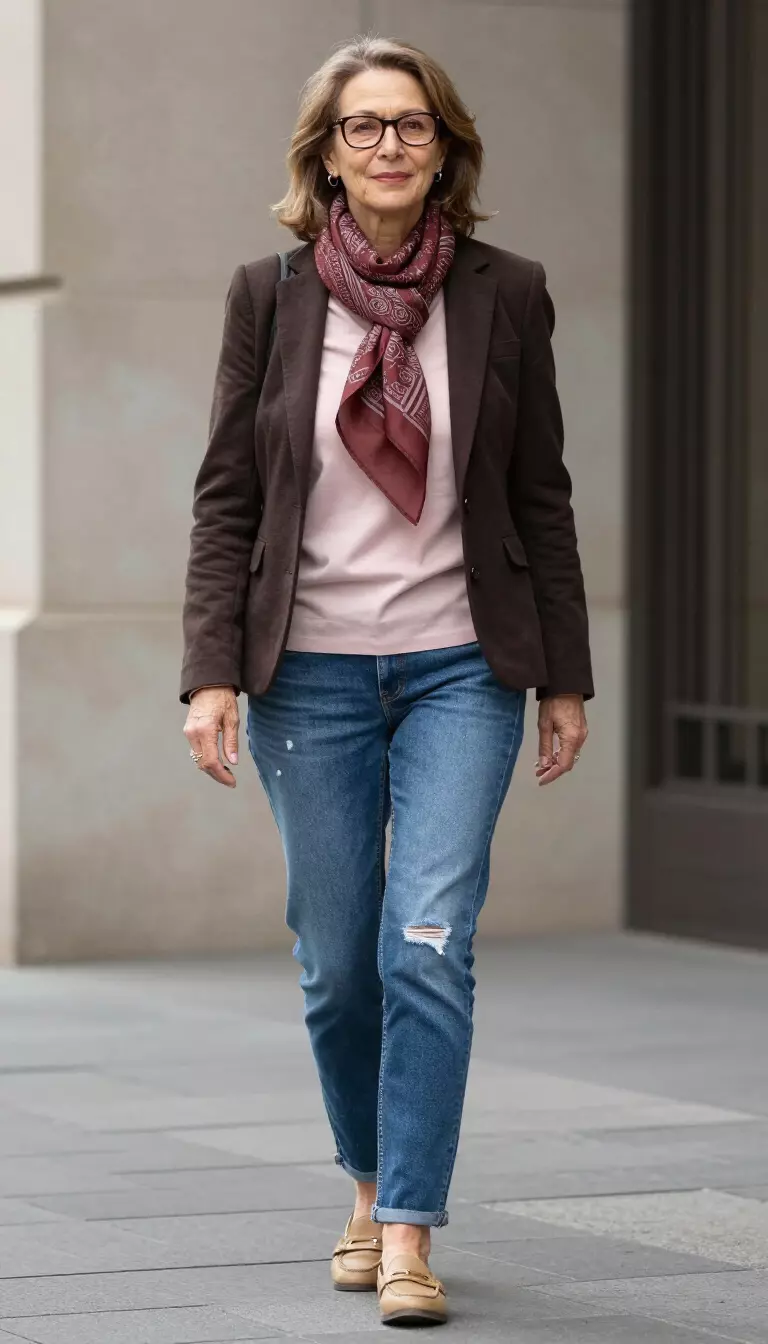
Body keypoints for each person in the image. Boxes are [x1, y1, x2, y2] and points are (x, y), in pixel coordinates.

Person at [181, 35, 592, 1328]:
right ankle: (365, 1180)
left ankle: (409, 1226)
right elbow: (228, 497)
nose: (389, 146)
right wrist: (209, 676)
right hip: (305, 675)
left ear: (446, 144)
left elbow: (541, 494)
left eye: (411, 125)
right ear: (324, 156)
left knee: (428, 943)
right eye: (362, 128)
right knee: (337, 963)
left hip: (462, 669)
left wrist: (565, 676)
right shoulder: (270, 294)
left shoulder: (507, 291)